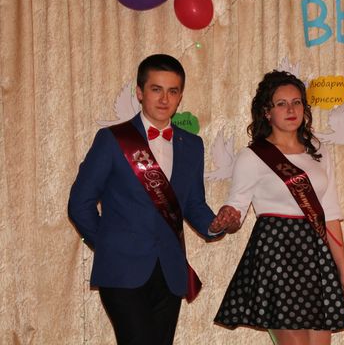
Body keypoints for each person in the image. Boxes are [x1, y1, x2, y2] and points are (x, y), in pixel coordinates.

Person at [68, 54, 240, 345]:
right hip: (122, 270)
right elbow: (80, 203)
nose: (164, 99)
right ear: (140, 92)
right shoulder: (113, 139)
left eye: (173, 91)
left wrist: (216, 224)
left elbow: (193, 204)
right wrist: (108, 245)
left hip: (170, 271)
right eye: (156, 89)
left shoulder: (192, 145)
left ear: (180, 96)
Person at [214, 70, 344, 345]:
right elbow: (236, 208)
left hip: (315, 255)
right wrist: (227, 217)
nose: (291, 110)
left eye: (296, 102)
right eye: (281, 104)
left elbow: (330, 213)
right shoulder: (253, 156)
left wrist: (343, 270)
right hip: (276, 253)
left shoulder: (318, 150)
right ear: (267, 112)